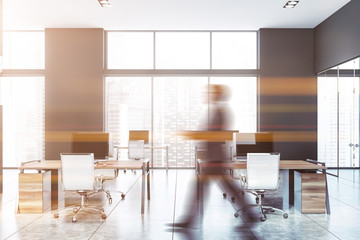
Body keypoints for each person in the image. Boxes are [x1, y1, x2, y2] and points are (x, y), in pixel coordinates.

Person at [168, 84, 255, 229]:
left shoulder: (219, 112)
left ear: (217, 95)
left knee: (202, 189)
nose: (208, 94)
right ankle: (251, 215)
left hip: (216, 159)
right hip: (215, 159)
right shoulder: (217, 111)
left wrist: (191, 134)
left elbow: (214, 135)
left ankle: (189, 220)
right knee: (228, 188)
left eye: (211, 92)